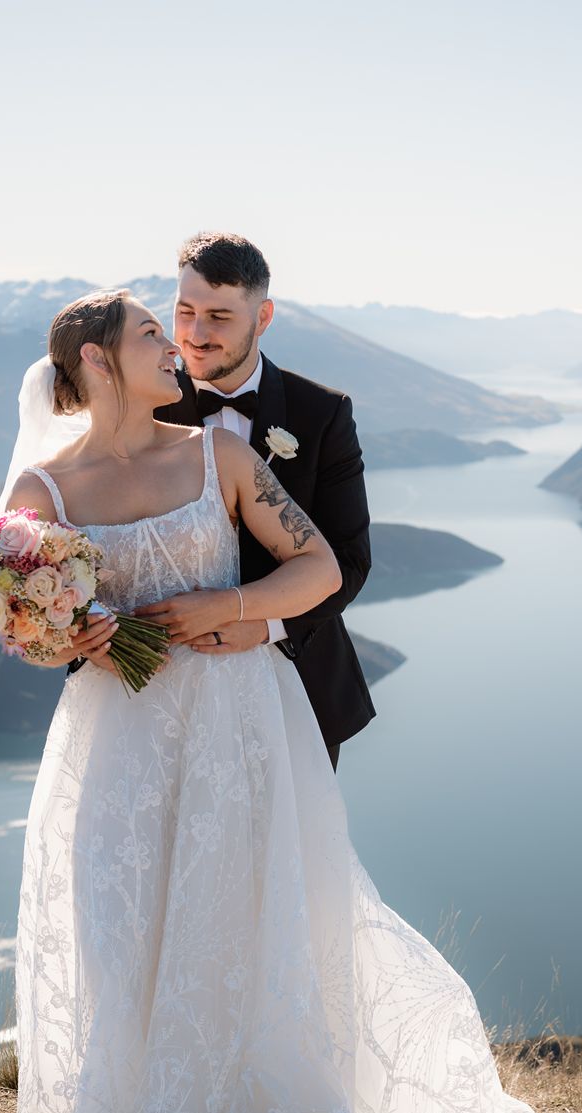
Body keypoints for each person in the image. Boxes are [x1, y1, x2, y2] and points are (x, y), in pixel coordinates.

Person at [0, 286, 582, 1113]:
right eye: (148, 332)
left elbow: (316, 565)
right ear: (96, 363)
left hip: (236, 727)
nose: (170, 342)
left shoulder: (218, 455)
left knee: (245, 925)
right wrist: (66, 634)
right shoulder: (42, 484)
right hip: (120, 742)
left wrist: (227, 608)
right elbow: (21, 612)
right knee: (120, 928)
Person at [64, 232, 373, 775]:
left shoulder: (322, 413)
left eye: (220, 317)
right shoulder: (135, 400)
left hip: (296, 687)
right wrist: (85, 633)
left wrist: (262, 623)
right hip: (144, 700)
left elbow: (347, 562)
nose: (195, 336)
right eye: (184, 312)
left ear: (264, 315)